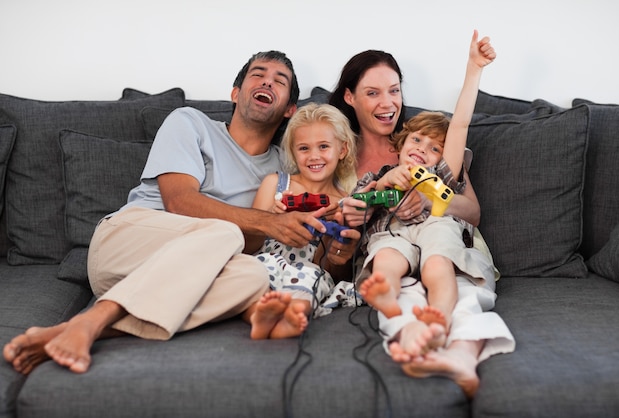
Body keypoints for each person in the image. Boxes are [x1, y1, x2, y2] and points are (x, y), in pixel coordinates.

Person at [2, 50, 357, 375]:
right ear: (236, 93)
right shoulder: (190, 122)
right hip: (129, 243)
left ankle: (70, 330)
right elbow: (180, 202)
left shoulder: (284, 170)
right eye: (257, 74)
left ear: (289, 109)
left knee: (253, 278)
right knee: (224, 231)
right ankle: (91, 322)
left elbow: (256, 248)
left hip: (185, 275)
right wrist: (270, 223)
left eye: (279, 81)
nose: (267, 81)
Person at [331, 32, 515, 398]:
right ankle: (413, 336)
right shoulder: (340, 154)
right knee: (396, 287)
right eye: (373, 92)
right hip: (394, 249)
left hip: (443, 247)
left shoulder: (435, 161)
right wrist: (378, 191)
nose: (388, 102)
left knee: (450, 285)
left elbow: (471, 203)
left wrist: (430, 199)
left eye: (395, 90)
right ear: (350, 97)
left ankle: (455, 350)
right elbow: (351, 209)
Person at [250, 102, 359, 339]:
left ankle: (292, 317)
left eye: (323, 146)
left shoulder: (345, 202)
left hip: (310, 268)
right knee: (250, 275)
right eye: (303, 148)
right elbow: (250, 244)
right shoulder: (277, 184)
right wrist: (271, 217)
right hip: (267, 259)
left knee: (311, 280)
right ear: (292, 151)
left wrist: (333, 240)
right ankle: (259, 316)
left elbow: (332, 267)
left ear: (342, 150)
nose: (314, 156)